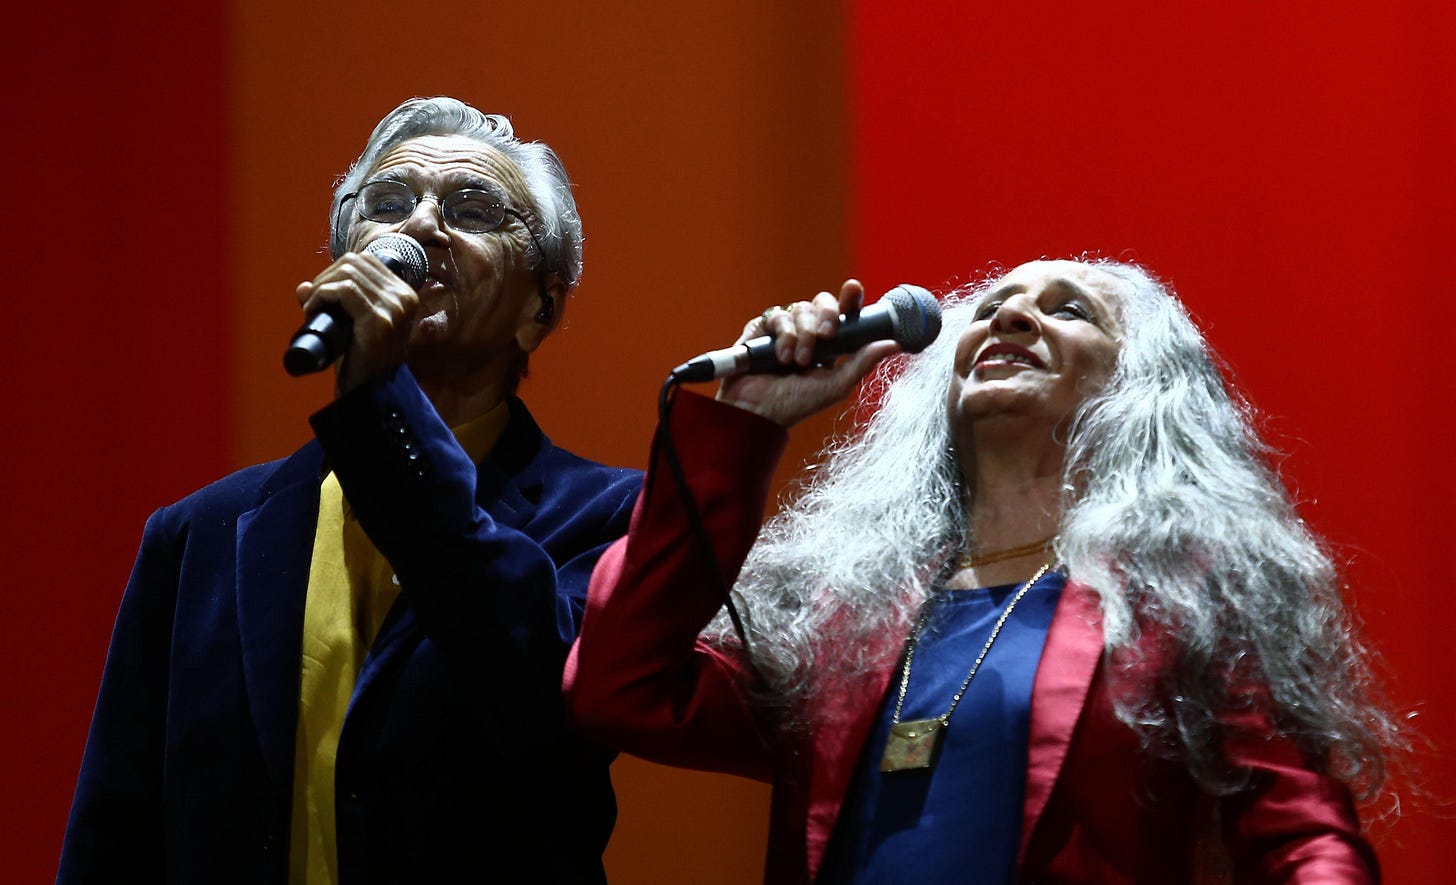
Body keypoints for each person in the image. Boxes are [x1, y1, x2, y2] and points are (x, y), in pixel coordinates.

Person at [565, 259, 1398, 883]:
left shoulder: (1186, 592)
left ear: (1141, 386)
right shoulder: (853, 608)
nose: (1013, 319)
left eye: (1068, 311)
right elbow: (620, 687)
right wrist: (743, 425)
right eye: (992, 308)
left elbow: (1301, 835)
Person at [59, 97, 640, 883]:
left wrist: (379, 399)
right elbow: (116, 831)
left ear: (542, 306)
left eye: (472, 209)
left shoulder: (607, 517)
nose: (421, 228)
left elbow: (533, 695)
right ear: (341, 263)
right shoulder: (198, 533)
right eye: (389, 205)